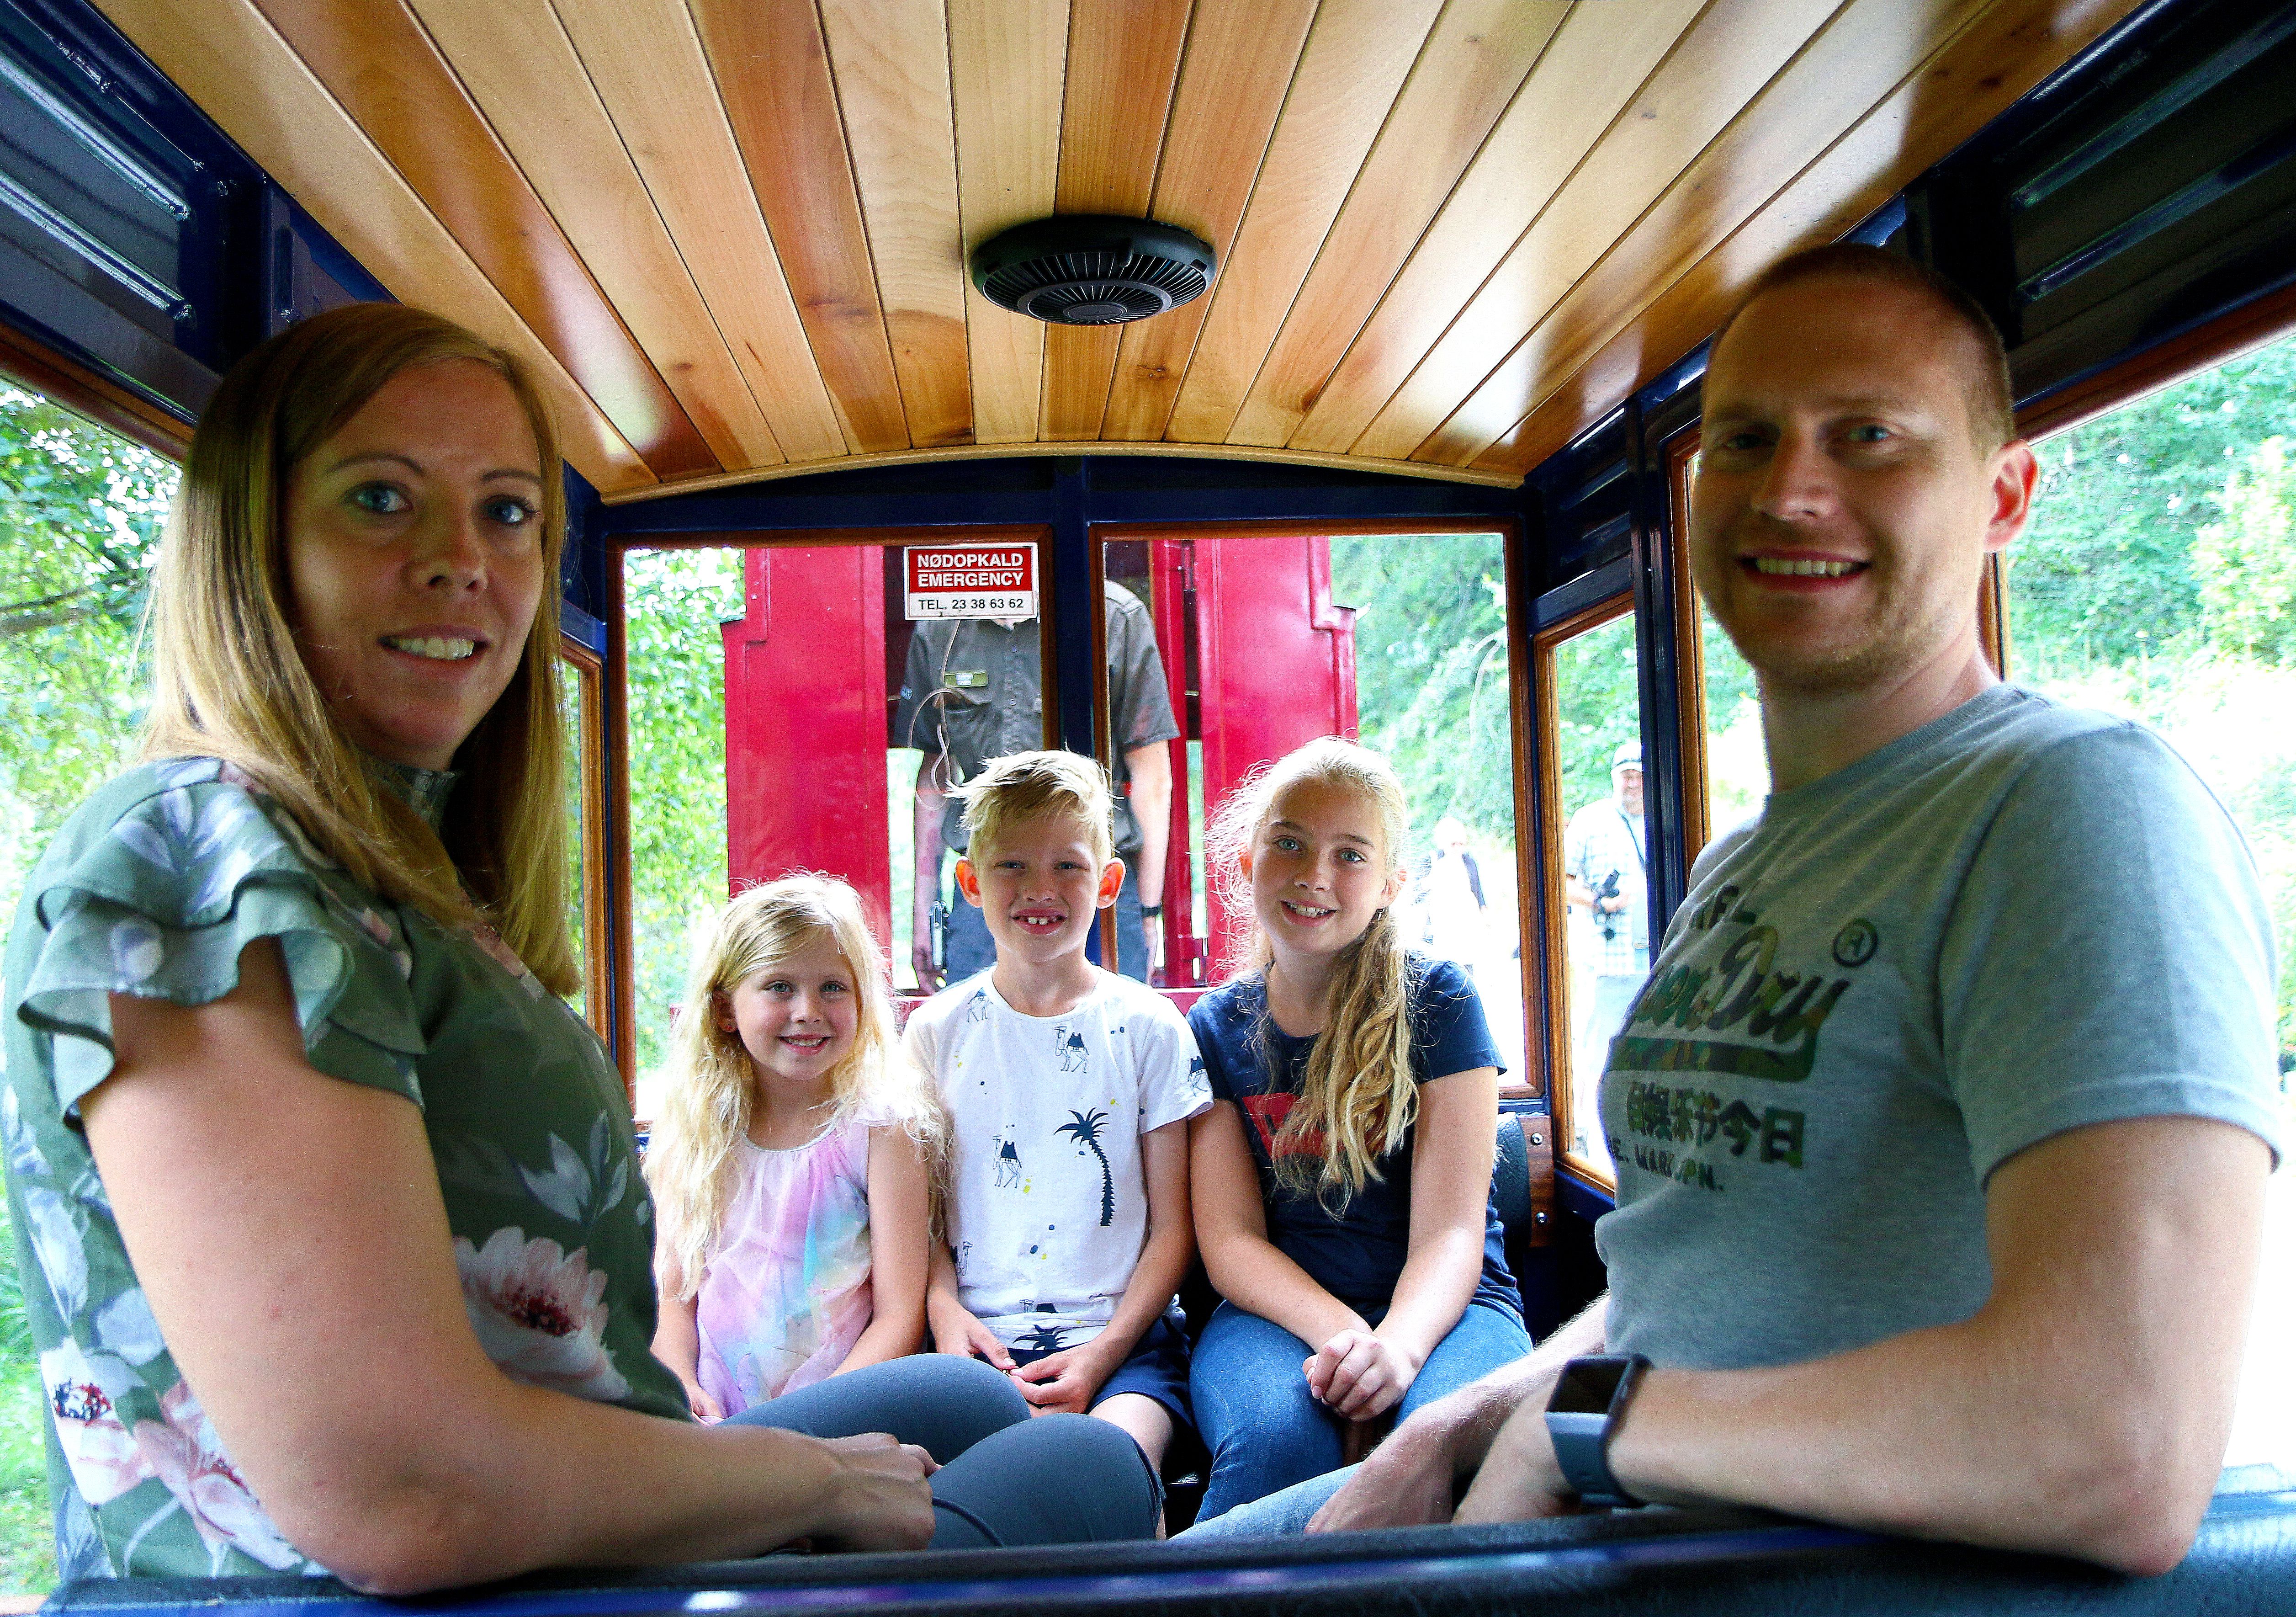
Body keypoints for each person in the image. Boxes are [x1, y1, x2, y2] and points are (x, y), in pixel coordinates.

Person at [0, 305, 1156, 1592]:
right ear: (250, 538)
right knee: (1093, 1466)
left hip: (566, 1511)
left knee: (965, 1400)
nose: (461, 561)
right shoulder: (201, 865)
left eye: (505, 512)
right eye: (381, 498)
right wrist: (813, 1483)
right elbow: (404, 1494)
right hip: (466, 1581)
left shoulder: (388, 868)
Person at [1182, 244, 2283, 1576]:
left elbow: (2111, 1443)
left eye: (1867, 434)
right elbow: (1687, 1283)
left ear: (2003, 496)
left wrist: (1587, 1435)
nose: (1789, 489)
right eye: (1746, 439)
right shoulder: (1741, 869)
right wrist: (1456, 1426)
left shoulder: (2072, 806)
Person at [1183, 739, 1528, 1522]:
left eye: (1349, 854)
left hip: (1453, 1306)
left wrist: (1397, 1349)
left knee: (1449, 1445)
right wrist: (1343, 1336)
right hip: (1277, 1315)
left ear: (1390, 883)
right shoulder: (1215, 1026)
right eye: (1290, 843)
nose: (1315, 874)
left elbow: (1451, 1231)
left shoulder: (1439, 1002)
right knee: (1277, 1439)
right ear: (1248, 859)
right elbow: (1230, 1239)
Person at [905, 751, 1210, 1482]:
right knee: (963, 1488)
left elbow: (1174, 1229)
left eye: (1067, 866)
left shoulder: (1150, 1027)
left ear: (1107, 883)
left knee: (1110, 1470)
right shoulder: (934, 1032)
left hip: (1126, 1345)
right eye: (1011, 865)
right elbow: (921, 1219)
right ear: (970, 883)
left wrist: (1103, 1353)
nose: (1039, 888)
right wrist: (946, 1314)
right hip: (975, 1343)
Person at [646, 877, 942, 1416]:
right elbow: (673, 1297)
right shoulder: (695, 1133)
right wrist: (681, 1384)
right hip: (714, 1421)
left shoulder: (881, 1129)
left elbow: (900, 1317)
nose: (808, 1009)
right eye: (780, 986)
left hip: (838, 1418)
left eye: (833, 987)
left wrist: (810, 1418)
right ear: (725, 1010)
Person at [896, 586, 1178, 987]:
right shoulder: (943, 620)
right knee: (976, 1024)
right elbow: (935, 781)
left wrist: (1149, 914)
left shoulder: (1112, 615)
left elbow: (1153, 779)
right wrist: (922, 914)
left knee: (1109, 1021)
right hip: (985, 891)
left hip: (1095, 888)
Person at [1563, 742, 1649, 1101]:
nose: (1633, 783)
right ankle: (1587, 1119)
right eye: (1627, 776)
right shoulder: (1590, 819)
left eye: (1639, 776)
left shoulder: (1669, 812)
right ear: (1615, 778)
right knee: (1599, 1045)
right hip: (1608, 958)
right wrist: (1599, 902)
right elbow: (1559, 880)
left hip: (1660, 955)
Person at [1412, 815, 1488, 974]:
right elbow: (1415, 894)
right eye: (1454, 844)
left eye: (1462, 844)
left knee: (1467, 968)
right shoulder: (1430, 861)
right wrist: (1431, 881)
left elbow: (1477, 891)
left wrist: (1485, 914)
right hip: (1440, 928)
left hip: (1466, 925)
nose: (1458, 849)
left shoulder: (1469, 862)